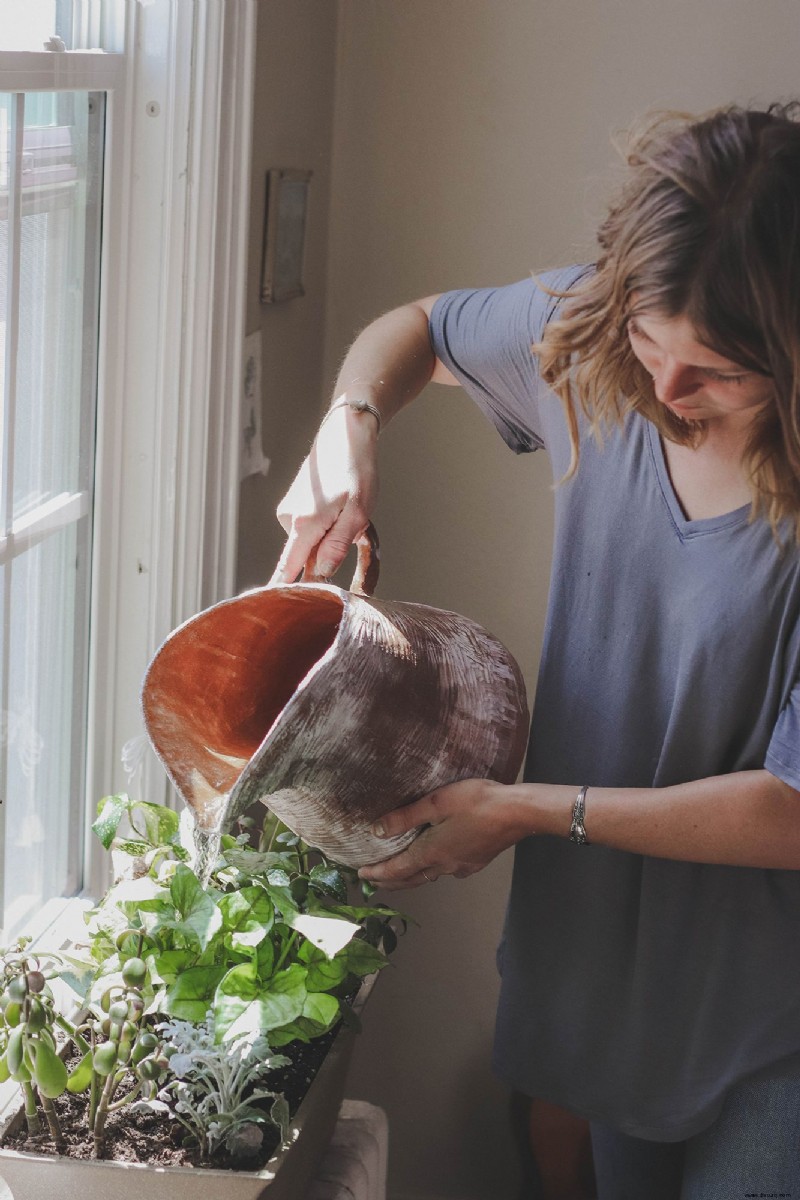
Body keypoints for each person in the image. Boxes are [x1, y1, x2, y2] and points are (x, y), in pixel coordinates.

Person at [269, 103, 800, 1200]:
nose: (665, 394)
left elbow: (791, 810)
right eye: (652, 347)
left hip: (767, 1012)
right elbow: (417, 326)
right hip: (603, 983)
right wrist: (351, 418)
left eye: (718, 374)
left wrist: (520, 811)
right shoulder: (592, 340)